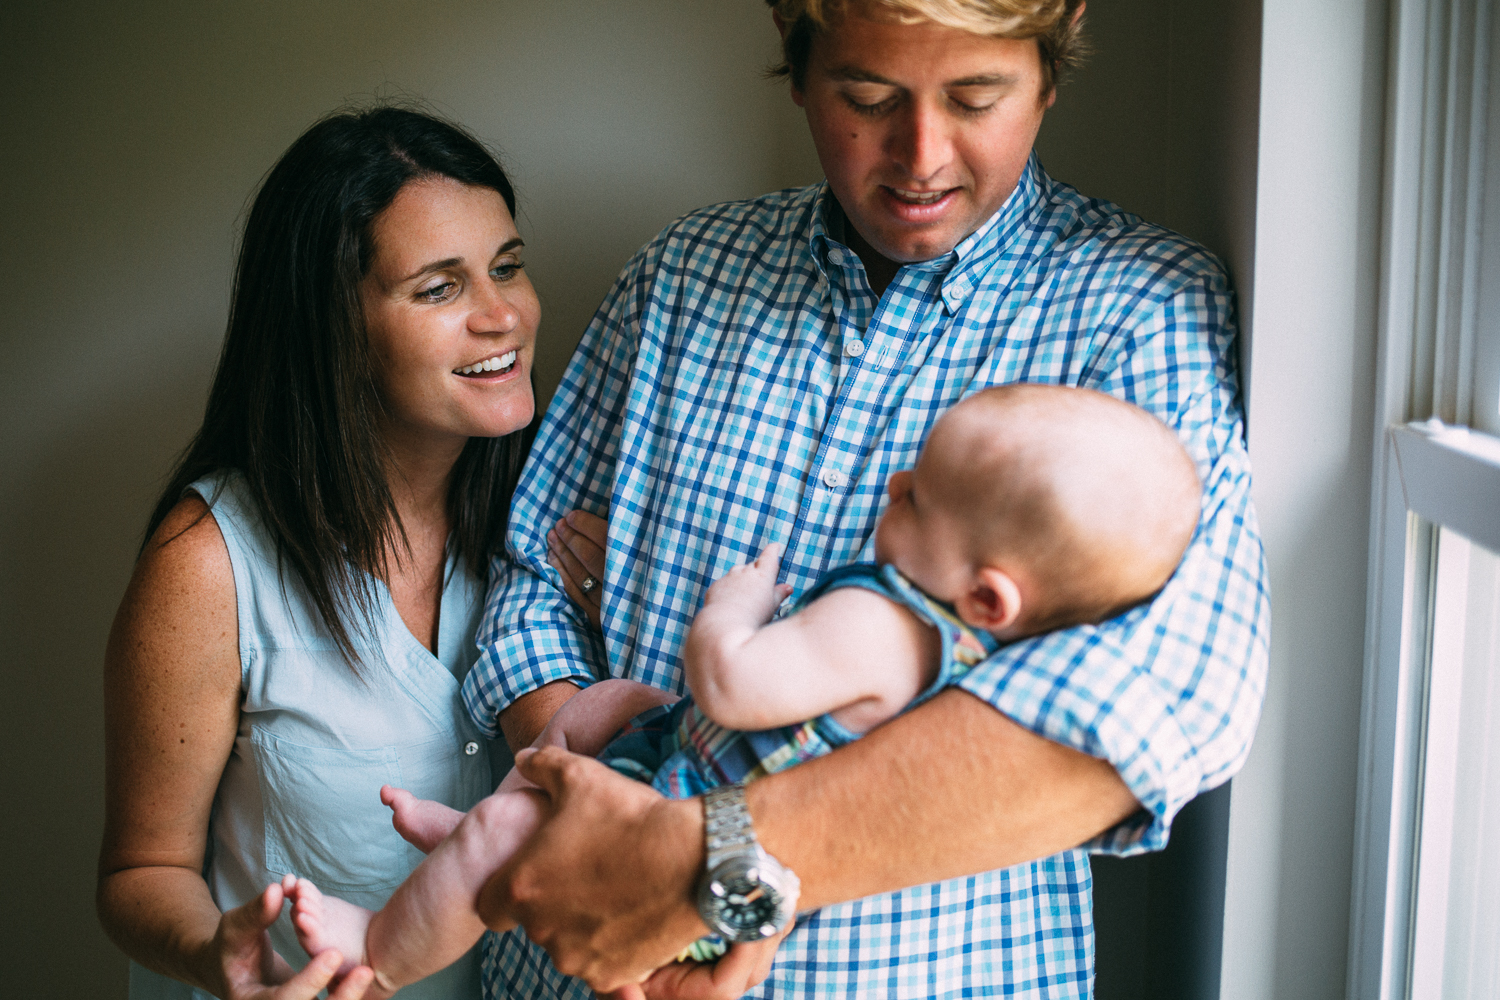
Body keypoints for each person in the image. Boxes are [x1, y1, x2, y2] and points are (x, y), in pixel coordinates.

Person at [470, 1, 1271, 998]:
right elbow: (530, 575)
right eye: (868, 97)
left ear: (1051, 73)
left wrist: (696, 867)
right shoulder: (680, 276)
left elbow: (1159, 699)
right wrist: (587, 813)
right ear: (798, 70)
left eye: (976, 98)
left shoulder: (1141, 311)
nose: (922, 155)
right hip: (556, 967)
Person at [283, 384, 1204, 999]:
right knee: (605, 708)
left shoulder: (884, 624)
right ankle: (491, 859)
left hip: (688, 821)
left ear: (988, 594)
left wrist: (736, 607)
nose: (895, 483)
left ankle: (378, 945)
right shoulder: (959, 642)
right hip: (692, 776)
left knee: (504, 815)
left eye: (922, 498)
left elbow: (728, 684)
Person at [96, 106, 543, 1000]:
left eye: (507, 267)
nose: (502, 316)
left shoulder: (553, 519)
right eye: (439, 288)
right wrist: (218, 954)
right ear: (335, 326)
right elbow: (139, 871)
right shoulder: (210, 560)